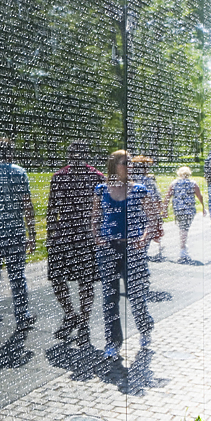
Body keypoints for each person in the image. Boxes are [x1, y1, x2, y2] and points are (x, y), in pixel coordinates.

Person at [0, 138, 36, 367]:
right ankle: (22, 316)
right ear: (10, 154)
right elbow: (27, 205)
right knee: (17, 278)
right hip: (13, 233)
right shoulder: (19, 173)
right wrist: (32, 233)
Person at [92, 150, 156, 360]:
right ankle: (112, 342)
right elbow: (95, 218)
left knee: (136, 294)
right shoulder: (101, 189)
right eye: (124, 163)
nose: (129, 166)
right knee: (109, 298)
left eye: (130, 163)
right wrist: (97, 237)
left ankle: (145, 329)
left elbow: (151, 219)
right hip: (108, 249)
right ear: (114, 165)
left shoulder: (139, 190)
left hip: (132, 249)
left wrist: (144, 238)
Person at [46, 142, 105, 347]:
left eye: (79, 154)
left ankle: (84, 321)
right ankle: (72, 315)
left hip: (86, 237)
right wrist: (51, 234)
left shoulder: (98, 178)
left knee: (85, 282)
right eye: (73, 154)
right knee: (58, 278)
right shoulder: (59, 177)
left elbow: (102, 211)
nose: (76, 157)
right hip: (65, 236)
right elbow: (52, 209)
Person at [164, 166, 206, 262]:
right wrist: (203, 207)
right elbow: (200, 196)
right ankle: (183, 248)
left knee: (183, 227)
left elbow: (167, 196)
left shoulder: (174, 183)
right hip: (189, 210)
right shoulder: (192, 183)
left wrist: (165, 209)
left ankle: (183, 246)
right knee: (184, 228)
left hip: (178, 209)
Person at [131, 156, 166, 261]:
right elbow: (156, 200)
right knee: (142, 247)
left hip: (130, 218)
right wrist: (159, 217)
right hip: (145, 219)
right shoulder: (149, 182)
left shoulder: (128, 180)